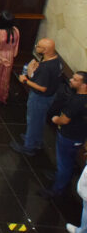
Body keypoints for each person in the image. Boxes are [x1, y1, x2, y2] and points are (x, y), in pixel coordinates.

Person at [11, 37, 63, 155]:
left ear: (45, 50)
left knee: (33, 120)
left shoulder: (46, 68)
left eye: (38, 47)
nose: (36, 48)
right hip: (50, 95)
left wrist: (24, 80)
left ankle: (29, 146)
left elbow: (42, 87)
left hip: (40, 97)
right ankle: (36, 140)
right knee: (39, 119)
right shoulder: (56, 61)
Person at [41, 71, 87, 199]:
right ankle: (61, 177)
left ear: (84, 85)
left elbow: (64, 120)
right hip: (79, 136)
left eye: (76, 80)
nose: (71, 80)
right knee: (67, 161)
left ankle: (57, 189)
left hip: (69, 136)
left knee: (64, 163)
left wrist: (55, 119)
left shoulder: (77, 101)